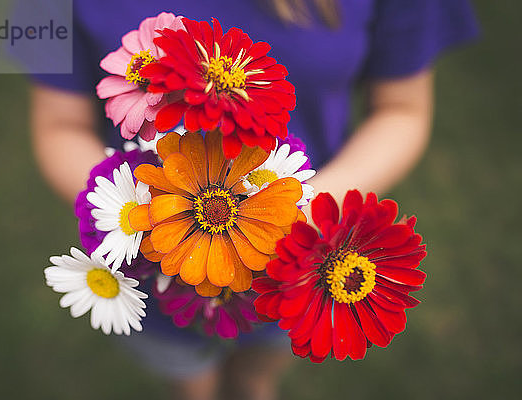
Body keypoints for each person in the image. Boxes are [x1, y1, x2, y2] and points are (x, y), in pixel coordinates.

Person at [28, 1, 478, 399]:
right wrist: (145, 226)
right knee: (186, 378)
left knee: (257, 376)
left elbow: (402, 108)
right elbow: (59, 124)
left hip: (298, 264)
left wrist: (305, 211)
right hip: (144, 265)